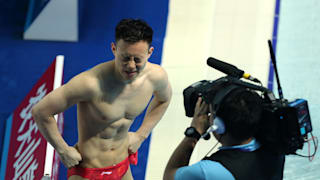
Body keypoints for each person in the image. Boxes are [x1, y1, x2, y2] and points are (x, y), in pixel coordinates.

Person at [32, 18, 172, 180]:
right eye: (125, 58)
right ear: (114, 49)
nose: (131, 66)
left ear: (150, 52)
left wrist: (141, 135)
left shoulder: (156, 77)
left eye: (138, 59)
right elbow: (41, 111)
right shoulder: (90, 84)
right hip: (88, 171)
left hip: (122, 165)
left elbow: (164, 100)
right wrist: (63, 150)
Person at [164, 87, 285, 180]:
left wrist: (194, 132)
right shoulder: (278, 146)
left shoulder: (209, 171)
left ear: (219, 126)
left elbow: (170, 176)